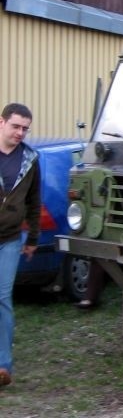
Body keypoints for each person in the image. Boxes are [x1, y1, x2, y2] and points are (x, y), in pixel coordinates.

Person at [0, 103, 40, 387]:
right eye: (15, 126)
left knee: (2, 299)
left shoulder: (31, 159)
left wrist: (34, 239)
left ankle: (3, 366)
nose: (20, 133)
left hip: (10, 240)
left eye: (25, 128)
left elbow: (34, 202)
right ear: (1, 122)